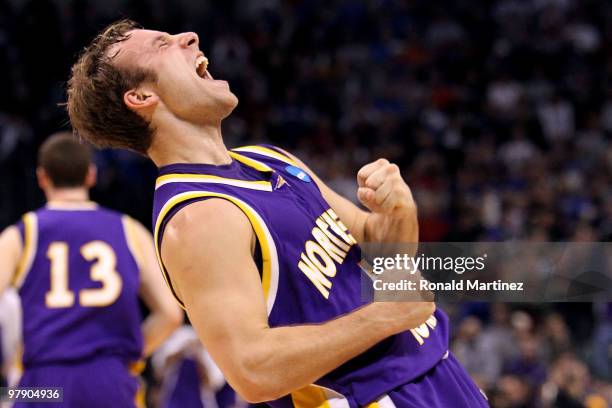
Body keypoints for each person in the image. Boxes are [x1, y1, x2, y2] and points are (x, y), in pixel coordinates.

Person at [66, 19, 488, 407]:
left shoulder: (266, 159)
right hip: (373, 395)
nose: (189, 37)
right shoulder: (196, 217)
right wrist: (382, 316)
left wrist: (399, 211)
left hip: (436, 372)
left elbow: (386, 255)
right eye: (162, 44)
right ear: (141, 97)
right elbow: (253, 370)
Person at [0, 133, 183, 408]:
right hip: (110, 377)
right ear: (91, 175)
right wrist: (128, 354)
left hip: (45, 381)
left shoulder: (21, 234)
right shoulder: (129, 229)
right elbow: (170, 314)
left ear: (42, 177)